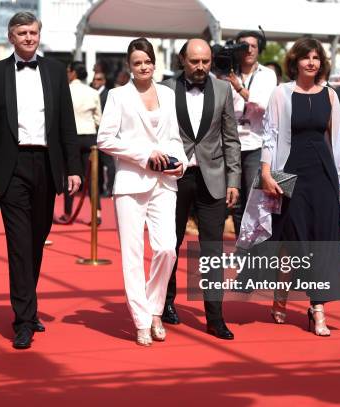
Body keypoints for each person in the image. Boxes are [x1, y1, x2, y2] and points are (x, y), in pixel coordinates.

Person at [0, 12, 82, 350]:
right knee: (18, 245)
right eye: (22, 32)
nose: (29, 37)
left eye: (33, 32)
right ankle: (23, 321)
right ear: (10, 36)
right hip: (12, 165)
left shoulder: (55, 71)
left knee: (36, 239)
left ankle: (28, 307)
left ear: (39, 35)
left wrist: (73, 167)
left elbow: (66, 124)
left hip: (47, 164)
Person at [238, 37, 340, 336]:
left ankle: (318, 308)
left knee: (323, 241)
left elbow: (339, 143)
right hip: (290, 173)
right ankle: (281, 295)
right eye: (306, 57)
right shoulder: (281, 93)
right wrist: (266, 173)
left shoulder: (331, 96)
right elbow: (271, 136)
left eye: (316, 58)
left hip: (324, 175)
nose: (311, 62)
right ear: (296, 62)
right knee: (291, 240)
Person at [97, 38, 187, 346]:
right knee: (132, 256)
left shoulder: (167, 93)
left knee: (167, 248)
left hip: (164, 182)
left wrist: (182, 163)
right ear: (129, 66)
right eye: (137, 63)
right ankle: (142, 320)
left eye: (147, 61)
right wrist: (143, 154)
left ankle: (155, 309)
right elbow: (105, 139)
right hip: (131, 183)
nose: (143, 67)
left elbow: (175, 138)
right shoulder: (118, 96)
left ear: (154, 62)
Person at [162, 38, 241, 340]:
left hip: (213, 179)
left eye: (205, 61)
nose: (200, 67)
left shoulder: (222, 89)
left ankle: (215, 318)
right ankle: (166, 303)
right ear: (182, 59)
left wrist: (234, 180)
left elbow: (231, 138)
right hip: (175, 177)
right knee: (170, 245)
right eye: (195, 61)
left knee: (213, 251)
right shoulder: (166, 89)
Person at [226, 30, 277, 237]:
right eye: (243, 46)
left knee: (254, 200)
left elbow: (265, 106)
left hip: (256, 144)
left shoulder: (267, 74)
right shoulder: (226, 72)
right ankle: (242, 247)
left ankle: (256, 249)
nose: (248, 50)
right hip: (230, 144)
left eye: (253, 46)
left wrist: (239, 88)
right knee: (234, 203)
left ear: (259, 49)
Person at [61, 61, 102, 222]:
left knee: (70, 176)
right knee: (92, 177)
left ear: (73, 73)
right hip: (90, 137)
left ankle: (67, 213)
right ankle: (97, 213)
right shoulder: (93, 92)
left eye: (67, 71)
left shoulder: (65, 91)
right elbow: (99, 118)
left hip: (70, 138)